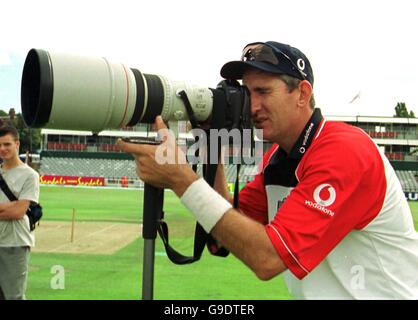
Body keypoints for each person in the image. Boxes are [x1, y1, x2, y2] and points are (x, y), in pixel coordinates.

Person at [117, 41, 418, 299]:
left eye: (263, 91)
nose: (252, 106)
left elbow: (267, 258)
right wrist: (210, 147)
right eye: (248, 94)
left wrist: (182, 179)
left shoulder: (343, 149)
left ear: (302, 93)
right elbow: (224, 233)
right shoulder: (280, 156)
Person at [0, 126, 40, 300]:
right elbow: (13, 208)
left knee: (13, 296)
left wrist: (15, 207)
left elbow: (18, 212)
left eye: (7, 144)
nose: (2, 149)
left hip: (15, 243)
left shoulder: (30, 175)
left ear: (17, 144)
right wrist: (9, 207)